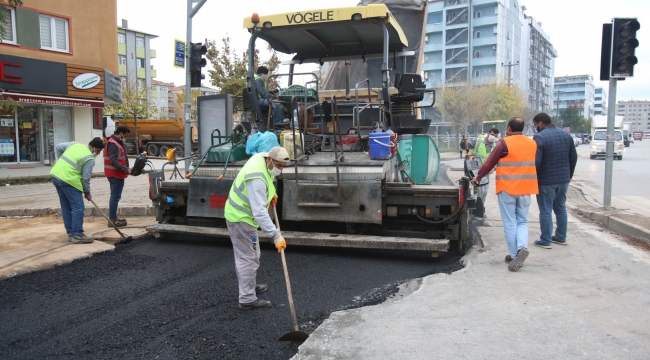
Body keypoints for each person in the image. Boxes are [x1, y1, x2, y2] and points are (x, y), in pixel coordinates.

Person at [224, 146, 289, 309]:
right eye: (278, 166)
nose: (280, 170)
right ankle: (246, 299)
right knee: (248, 259)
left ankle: (250, 286)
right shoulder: (257, 178)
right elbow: (259, 212)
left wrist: (271, 194)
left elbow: (267, 183)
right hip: (240, 219)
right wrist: (276, 236)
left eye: (283, 166)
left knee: (253, 254)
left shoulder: (261, 158)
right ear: (269, 160)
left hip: (243, 217)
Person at [471, 117, 538, 272]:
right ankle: (522, 248)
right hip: (526, 188)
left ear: (508, 128)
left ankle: (515, 255)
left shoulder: (504, 143)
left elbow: (489, 163)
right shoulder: (532, 143)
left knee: (510, 222)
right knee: (522, 221)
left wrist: (478, 177)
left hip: (507, 188)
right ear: (523, 128)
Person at [531, 112, 578, 249]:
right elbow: (573, 157)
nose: (535, 127)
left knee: (545, 210)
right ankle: (561, 237)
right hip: (563, 179)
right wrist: (569, 176)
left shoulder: (539, 137)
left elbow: (537, 161)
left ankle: (546, 240)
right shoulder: (566, 135)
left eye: (535, 125)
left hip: (546, 180)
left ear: (540, 123)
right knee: (560, 207)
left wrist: (535, 177)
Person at [50, 137, 105, 244]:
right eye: (98, 151)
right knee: (78, 207)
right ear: (92, 147)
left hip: (56, 176)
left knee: (66, 206)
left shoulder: (75, 144)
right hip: (69, 180)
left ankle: (71, 233)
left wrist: (60, 162)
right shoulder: (89, 159)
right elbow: (85, 178)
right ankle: (77, 234)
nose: (98, 153)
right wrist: (87, 193)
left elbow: (58, 147)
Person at [104, 126, 132, 228]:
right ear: (120, 133)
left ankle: (113, 217)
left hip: (117, 174)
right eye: (125, 135)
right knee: (115, 197)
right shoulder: (113, 144)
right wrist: (125, 168)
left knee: (115, 196)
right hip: (115, 174)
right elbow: (113, 160)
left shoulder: (116, 142)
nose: (126, 138)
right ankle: (112, 220)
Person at [467, 127, 500, 203]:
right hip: (476, 170)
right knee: (480, 191)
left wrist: (494, 168)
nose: (493, 137)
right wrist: (463, 143)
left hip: (486, 172)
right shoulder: (478, 141)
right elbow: (466, 146)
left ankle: (481, 210)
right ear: (488, 133)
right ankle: (477, 210)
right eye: (492, 134)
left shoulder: (496, 146)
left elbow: (496, 160)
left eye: (495, 136)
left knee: (484, 192)